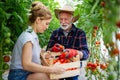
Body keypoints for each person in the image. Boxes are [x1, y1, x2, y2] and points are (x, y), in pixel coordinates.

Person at [8, 1, 66, 80]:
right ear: (38, 20)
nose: (47, 27)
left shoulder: (32, 35)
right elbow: (26, 64)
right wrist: (51, 69)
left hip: (26, 73)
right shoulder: (28, 37)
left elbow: (34, 53)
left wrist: (44, 54)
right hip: (19, 75)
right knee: (52, 76)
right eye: (47, 23)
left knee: (53, 76)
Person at [46, 4, 89, 80]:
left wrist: (75, 52)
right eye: (61, 19)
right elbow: (48, 51)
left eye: (66, 19)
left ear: (72, 20)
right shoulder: (55, 33)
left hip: (73, 67)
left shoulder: (80, 33)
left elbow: (86, 53)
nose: (63, 22)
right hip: (57, 65)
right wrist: (53, 48)